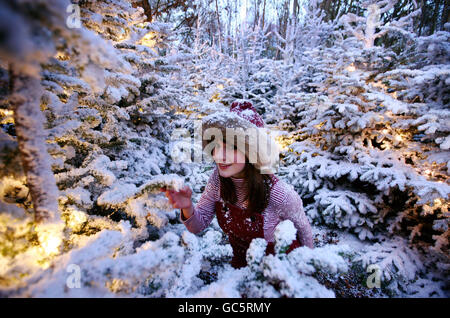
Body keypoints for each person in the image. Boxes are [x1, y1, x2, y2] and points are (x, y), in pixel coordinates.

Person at [161, 101, 313, 269]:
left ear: (251, 152)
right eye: (216, 147)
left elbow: (304, 231)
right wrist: (187, 207)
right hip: (241, 267)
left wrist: (306, 274)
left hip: (281, 270)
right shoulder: (218, 181)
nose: (220, 156)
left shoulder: (278, 193)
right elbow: (197, 226)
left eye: (231, 148)